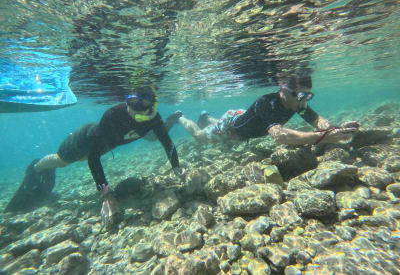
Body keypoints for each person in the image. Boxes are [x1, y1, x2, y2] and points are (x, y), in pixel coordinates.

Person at [5, 86, 184, 227]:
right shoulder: (112, 116)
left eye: (142, 103)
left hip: (106, 144)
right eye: (131, 102)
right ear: (126, 101)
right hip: (84, 140)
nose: (135, 108)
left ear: (152, 104)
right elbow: (93, 158)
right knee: (62, 161)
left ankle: (40, 167)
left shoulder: (154, 118)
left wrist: (176, 166)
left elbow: (166, 142)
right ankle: (36, 167)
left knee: (74, 160)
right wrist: (107, 195)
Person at [177, 74, 359, 146]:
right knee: (200, 137)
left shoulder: (297, 102)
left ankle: (206, 116)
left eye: (308, 97)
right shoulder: (266, 103)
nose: (304, 101)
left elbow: (317, 120)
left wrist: (334, 129)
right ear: (283, 91)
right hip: (231, 127)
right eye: (300, 96)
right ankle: (180, 117)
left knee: (220, 122)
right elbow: (281, 136)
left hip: (241, 118)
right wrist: (322, 138)